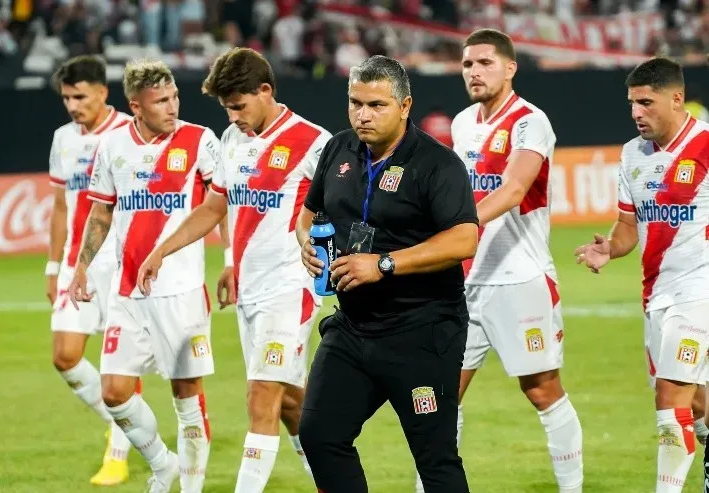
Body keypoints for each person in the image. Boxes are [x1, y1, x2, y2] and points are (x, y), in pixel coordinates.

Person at [135, 47, 332, 493]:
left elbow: (347, 204)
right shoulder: (231, 139)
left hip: (290, 289)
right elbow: (215, 205)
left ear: (266, 90)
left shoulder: (312, 141)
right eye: (227, 108)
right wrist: (162, 250)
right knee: (289, 402)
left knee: (261, 397)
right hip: (250, 292)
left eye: (239, 106)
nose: (235, 116)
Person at [295, 55, 479, 493]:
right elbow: (308, 214)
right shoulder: (338, 149)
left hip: (422, 329)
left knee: (435, 458)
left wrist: (384, 263)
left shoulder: (437, 163)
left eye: (376, 105)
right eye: (355, 103)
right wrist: (307, 243)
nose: (363, 114)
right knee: (319, 435)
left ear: (405, 105)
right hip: (353, 328)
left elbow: (463, 240)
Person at [418, 28, 585, 493]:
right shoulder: (463, 122)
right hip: (466, 282)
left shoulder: (531, 121)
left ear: (510, 68)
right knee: (441, 396)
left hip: (521, 279)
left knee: (542, 391)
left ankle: (571, 489)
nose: (474, 72)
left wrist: (459, 225)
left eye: (485, 63)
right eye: (468, 64)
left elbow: (512, 190)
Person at [67, 58, 218, 493]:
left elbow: (219, 204)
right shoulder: (114, 147)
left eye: (174, 97)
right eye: (161, 101)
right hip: (128, 292)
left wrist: (229, 260)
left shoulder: (199, 140)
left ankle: (189, 488)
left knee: (186, 399)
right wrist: (80, 267)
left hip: (182, 293)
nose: (172, 107)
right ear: (136, 106)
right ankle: (162, 463)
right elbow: (101, 210)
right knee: (114, 391)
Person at [575, 57, 709, 493]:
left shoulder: (706, 146)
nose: (636, 112)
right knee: (698, 402)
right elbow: (629, 224)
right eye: (632, 103)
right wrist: (609, 248)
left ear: (675, 99)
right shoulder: (633, 155)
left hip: (700, 293)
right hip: (657, 296)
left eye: (646, 102)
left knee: (669, 402)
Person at [46, 54, 135, 487]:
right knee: (65, 356)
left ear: (102, 92)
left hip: (116, 265)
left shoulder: (127, 134)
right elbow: (61, 206)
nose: (72, 105)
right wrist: (52, 265)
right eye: (66, 97)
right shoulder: (63, 138)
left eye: (79, 96)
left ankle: (117, 453)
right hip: (74, 265)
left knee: (117, 364)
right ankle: (126, 422)